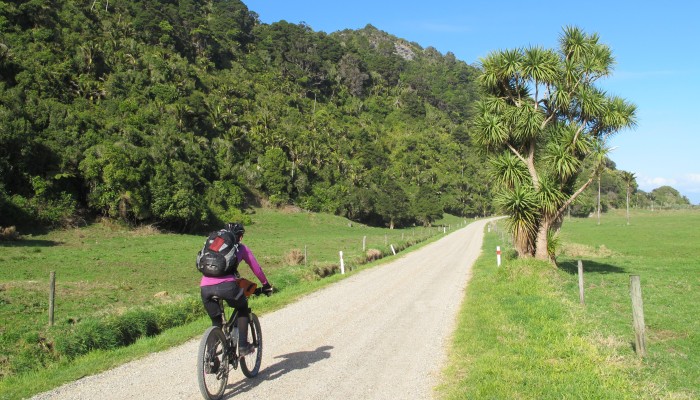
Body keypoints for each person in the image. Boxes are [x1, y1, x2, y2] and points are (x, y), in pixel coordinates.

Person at [199, 222, 273, 357]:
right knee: (242, 308)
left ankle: (210, 360)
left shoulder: (213, 245)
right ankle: (243, 346)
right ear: (240, 237)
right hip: (227, 286)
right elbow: (256, 268)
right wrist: (266, 285)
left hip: (205, 287)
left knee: (216, 322)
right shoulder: (241, 248)